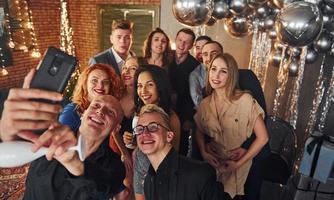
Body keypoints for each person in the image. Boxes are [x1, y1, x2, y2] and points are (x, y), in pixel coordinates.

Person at [0, 69, 126, 199]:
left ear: (115, 129)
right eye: (95, 106)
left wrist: (75, 164)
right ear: (83, 114)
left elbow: (100, 189)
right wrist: (7, 132)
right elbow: (9, 149)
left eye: (111, 112)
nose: (100, 111)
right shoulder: (48, 136)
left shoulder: (115, 167)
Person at [195, 41, 270, 200]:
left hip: (241, 167)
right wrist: (204, 151)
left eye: (223, 71)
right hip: (215, 166)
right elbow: (199, 130)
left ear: (231, 75)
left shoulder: (245, 100)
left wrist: (238, 163)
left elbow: (263, 138)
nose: (216, 76)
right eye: (213, 70)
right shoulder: (205, 104)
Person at [134, 104, 232, 200]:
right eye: (139, 129)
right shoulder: (148, 182)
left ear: (169, 136)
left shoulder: (199, 174)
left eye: (152, 127)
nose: (145, 133)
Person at [122, 65, 181, 200]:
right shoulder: (139, 111)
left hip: (156, 179)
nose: (143, 90)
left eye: (149, 85)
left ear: (160, 86)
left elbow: (173, 158)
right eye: (139, 85)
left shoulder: (171, 118)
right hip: (138, 168)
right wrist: (132, 142)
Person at [59, 63, 122, 132]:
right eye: (94, 80)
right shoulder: (73, 111)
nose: (100, 86)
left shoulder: (109, 114)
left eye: (105, 82)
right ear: (85, 84)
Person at [168, 28, 200, 156]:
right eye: (180, 40)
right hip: (165, 108)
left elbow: (197, 96)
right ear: (175, 39)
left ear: (191, 45)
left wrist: (189, 118)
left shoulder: (195, 65)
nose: (182, 45)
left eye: (186, 42)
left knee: (181, 148)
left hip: (184, 112)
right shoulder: (166, 57)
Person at [189, 37, 214, 108]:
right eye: (197, 48)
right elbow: (199, 104)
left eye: (204, 47)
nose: (200, 51)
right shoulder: (195, 75)